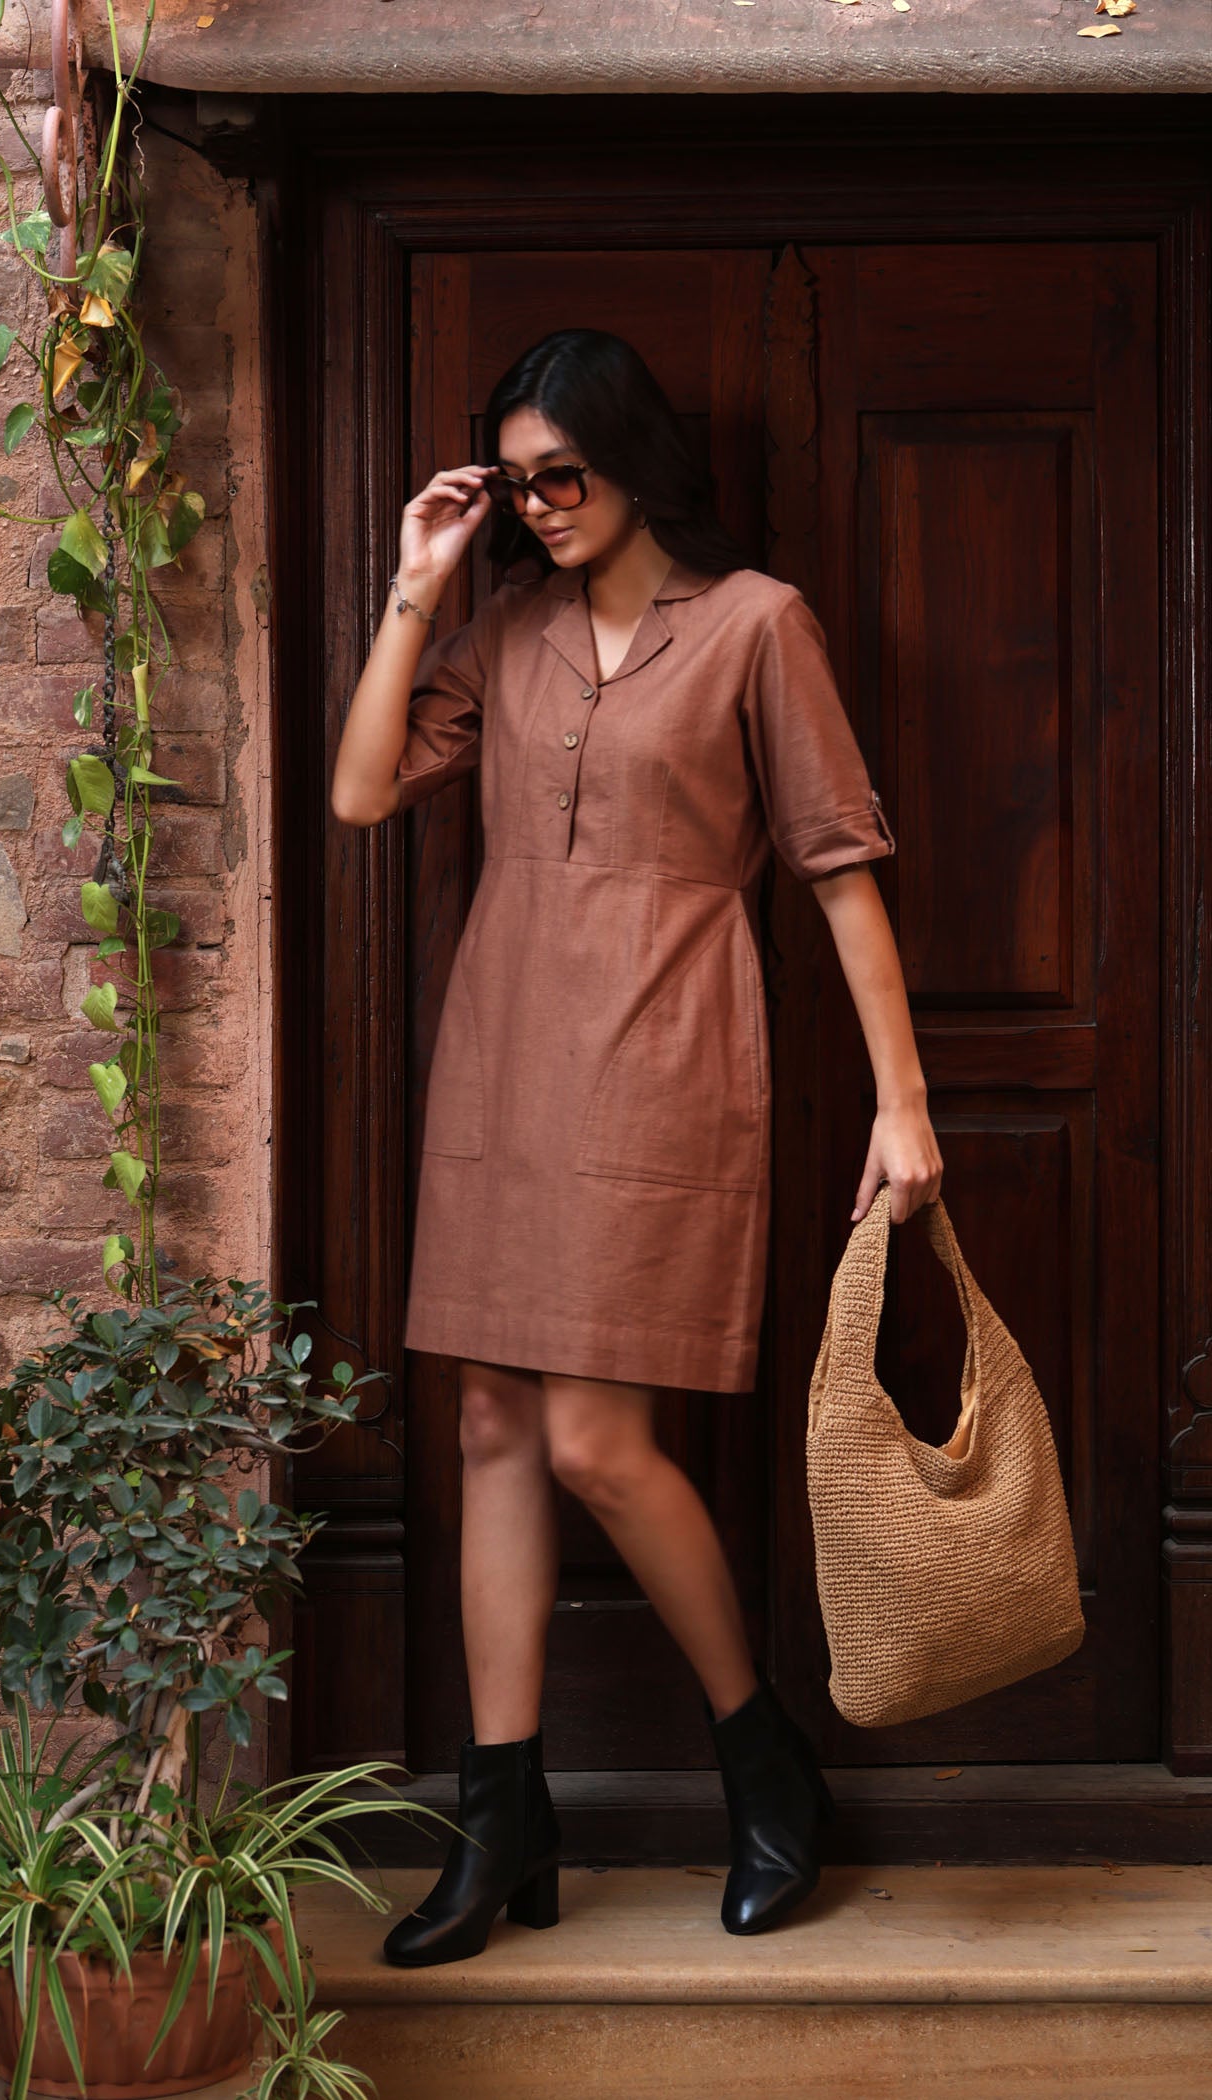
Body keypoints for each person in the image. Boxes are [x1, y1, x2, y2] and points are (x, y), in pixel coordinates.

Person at [330, 328, 944, 1965]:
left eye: (561, 475)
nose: (538, 505)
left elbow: (835, 864)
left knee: (598, 1442)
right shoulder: (503, 628)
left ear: (627, 458)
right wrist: (418, 577)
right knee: (487, 1432)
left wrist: (903, 1099)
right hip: (504, 1060)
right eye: (515, 480)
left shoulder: (754, 624)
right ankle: (502, 1820)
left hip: (668, 1058)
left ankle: (765, 1761)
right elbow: (363, 789)